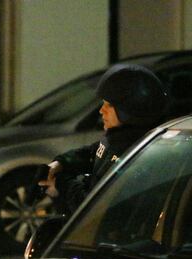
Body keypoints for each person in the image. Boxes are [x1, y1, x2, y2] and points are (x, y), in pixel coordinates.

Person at [39, 63, 168, 214]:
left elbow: (94, 206)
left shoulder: (134, 153)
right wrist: (60, 163)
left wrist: (60, 185)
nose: (101, 111)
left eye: (109, 105)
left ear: (129, 109)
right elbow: (94, 152)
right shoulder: (118, 139)